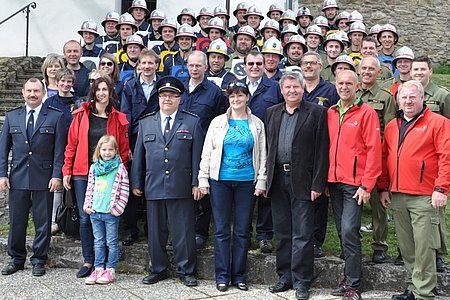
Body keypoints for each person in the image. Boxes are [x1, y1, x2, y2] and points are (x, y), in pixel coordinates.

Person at [378, 80, 450, 300]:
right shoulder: (392, 126)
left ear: (422, 98)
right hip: (398, 195)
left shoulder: (438, 123)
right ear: (398, 100)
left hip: (425, 195)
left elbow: (446, 157)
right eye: (404, 97)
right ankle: (412, 287)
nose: (408, 101)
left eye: (412, 97)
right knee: (407, 247)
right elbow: (385, 157)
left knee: (424, 247)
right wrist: (383, 187)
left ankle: (424, 293)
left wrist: (441, 188)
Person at [131, 76, 204, 287]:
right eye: (163, 96)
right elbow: (139, 156)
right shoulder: (146, 123)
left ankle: (187, 270)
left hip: (182, 186)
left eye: (172, 96)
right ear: (158, 98)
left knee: (184, 231)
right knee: (155, 232)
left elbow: (197, 155)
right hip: (153, 184)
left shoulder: (192, 122)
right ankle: (158, 269)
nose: (167, 100)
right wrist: (136, 183)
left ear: (179, 99)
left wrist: (197, 182)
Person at [265, 72, 329, 300]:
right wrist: (265, 180)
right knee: (282, 232)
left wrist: (318, 183)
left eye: (296, 87)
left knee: (302, 233)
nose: (292, 91)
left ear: (303, 89)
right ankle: (285, 276)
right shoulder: (271, 113)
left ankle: (302, 281)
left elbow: (322, 151)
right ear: (281, 90)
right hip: (277, 180)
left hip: (303, 180)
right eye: (287, 87)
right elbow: (268, 148)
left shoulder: (317, 112)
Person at [198, 81, 266, 292]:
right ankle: (222, 276)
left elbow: (263, 153)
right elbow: (207, 151)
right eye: (232, 96)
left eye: (240, 95)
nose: (236, 100)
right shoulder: (218, 122)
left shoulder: (257, 124)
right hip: (220, 181)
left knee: (242, 230)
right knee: (221, 230)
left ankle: (239, 275)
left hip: (247, 181)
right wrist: (203, 178)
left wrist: (261, 179)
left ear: (247, 97)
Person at [62, 76, 129, 278]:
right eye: (98, 89)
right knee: (85, 216)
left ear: (110, 93)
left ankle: (108, 264)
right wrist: (67, 170)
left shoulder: (118, 118)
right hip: (83, 171)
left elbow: (123, 149)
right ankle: (89, 260)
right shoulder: (82, 115)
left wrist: (121, 173)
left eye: (105, 90)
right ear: (93, 92)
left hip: (109, 173)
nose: (101, 93)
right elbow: (71, 144)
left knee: (109, 215)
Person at [0, 78, 66, 277]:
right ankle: (16, 259)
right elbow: (3, 149)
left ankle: (39, 259)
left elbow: (59, 151)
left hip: (44, 177)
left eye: (36, 91)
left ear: (43, 93)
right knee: (17, 221)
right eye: (29, 91)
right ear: (22, 92)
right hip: (18, 176)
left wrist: (57, 175)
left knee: (42, 222)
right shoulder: (13, 116)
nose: (32, 94)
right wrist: (2, 174)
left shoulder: (55, 117)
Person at [328, 70, 382, 300]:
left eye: (349, 83)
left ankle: (354, 284)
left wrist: (367, 184)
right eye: (340, 83)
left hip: (355, 184)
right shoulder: (331, 112)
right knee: (342, 231)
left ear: (357, 85)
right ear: (335, 85)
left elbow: (374, 150)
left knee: (350, 230)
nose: (344, 87)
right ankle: (348, 277)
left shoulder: (367, 113)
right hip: (334, 181)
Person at [180, 51, 226, 248]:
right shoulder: (179, 87)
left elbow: (220, 120)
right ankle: (183, 231)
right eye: (191, 65)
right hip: (180, 146)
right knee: (182, 189)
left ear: (206, 67)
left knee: (203, 190)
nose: (195, 69)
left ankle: (200, 231)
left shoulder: (214, 92)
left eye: (199, 65)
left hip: (205, 147)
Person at [410, 55, 450, 273]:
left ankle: (438, 256)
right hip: (416, 165)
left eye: (422, 69)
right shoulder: (407, 93)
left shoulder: (442, 96)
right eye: (415, 69)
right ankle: (414, 254)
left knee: (435, 218)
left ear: (430, 71)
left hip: (435, 165)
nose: (418, 73)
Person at [120, 49, 160, 246]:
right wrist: (126, 146)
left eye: (150, 63)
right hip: (135, 139)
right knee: (132, 183)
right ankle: (130, 229)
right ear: (138, 65)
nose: (146, 66)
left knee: (153, 182)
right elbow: (125, 117)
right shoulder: (130, 86)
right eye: (143, 63)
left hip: (157, 139)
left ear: (157, 65)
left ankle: (152, 229)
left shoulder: (162, 86)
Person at [83, 135, 129, 285]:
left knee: (111, 242)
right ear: (99, 150)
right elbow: (90, 187)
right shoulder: (94, 168)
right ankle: (98, 268)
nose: (107, 152)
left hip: (110, 213)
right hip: (95, 212)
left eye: (110, 149)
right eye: (104, 149)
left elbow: (124, 190)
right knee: (98, 242)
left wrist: (117, 209)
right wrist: (87, 205)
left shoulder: (119, 168)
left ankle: (110, 269)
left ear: (116, 150)